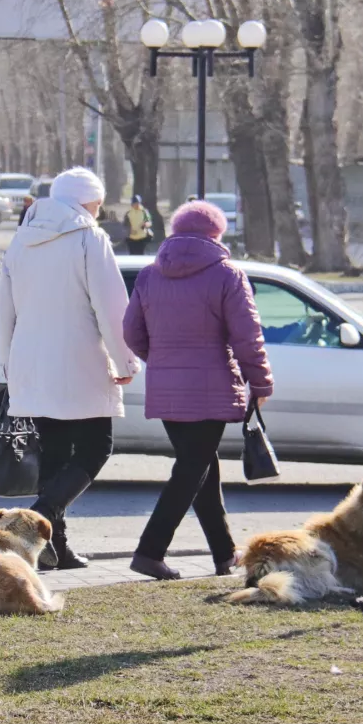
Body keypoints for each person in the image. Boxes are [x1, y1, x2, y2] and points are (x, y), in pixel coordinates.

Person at [0, 167, 139, 570]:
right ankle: (34, 520)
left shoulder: (21, 239)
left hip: (31, 362)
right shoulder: (89, 238)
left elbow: (5, 308)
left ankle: (53, 550)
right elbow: (112, 307)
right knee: (96, 448)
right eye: (96, 202)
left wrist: (9, 363)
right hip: (81, 361)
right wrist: (125, 359)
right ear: (83, 200)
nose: (98, 209)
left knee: (55, 456)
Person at [121, 200, 273, 580]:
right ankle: (149, 551)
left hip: (166, 387)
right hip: (211, 387)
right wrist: (261, 380)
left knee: (201, 467)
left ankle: (224, 555)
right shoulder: (227, 274)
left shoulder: (150, 274)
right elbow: (247, 336)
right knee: (192, 469)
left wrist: (161, 360)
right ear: (216, 235)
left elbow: (131, 332)